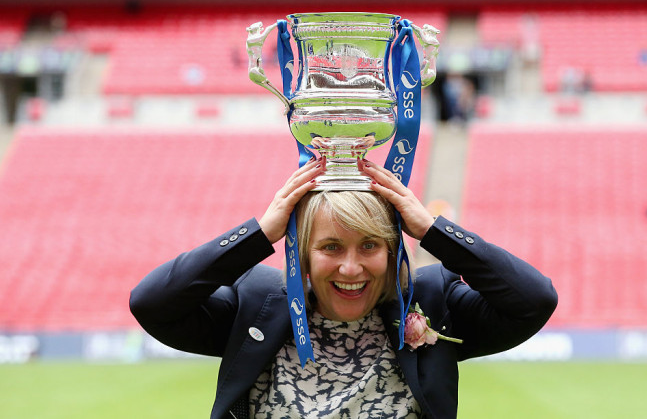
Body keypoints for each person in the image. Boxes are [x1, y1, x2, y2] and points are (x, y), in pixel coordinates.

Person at [129, 156, 558, 419]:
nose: (351, 268)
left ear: (392, 252)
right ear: (304, 254)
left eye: (370, 245)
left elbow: (533, 300)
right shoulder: (256, 303)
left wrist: (431, 230)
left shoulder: (431, 301)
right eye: (331, 247)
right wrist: (258, 235)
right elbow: (152, 303)